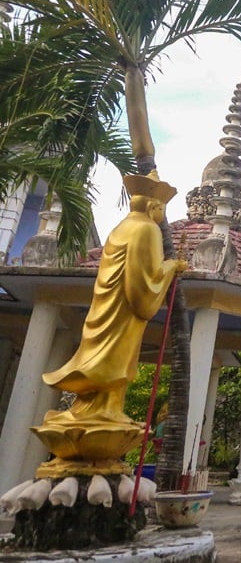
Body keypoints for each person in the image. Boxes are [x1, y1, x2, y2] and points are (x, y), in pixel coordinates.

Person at [42, 173, 186, 424]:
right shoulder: (147, 229)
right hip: (126, 308)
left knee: (104, 359)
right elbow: (145, 280)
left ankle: (94, 407)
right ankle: (104, 409)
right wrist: (172, 265)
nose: (162, 214)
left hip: (106, 307)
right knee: (114, 362)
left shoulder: (122, 228)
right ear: (152, 206)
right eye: (161, 208)